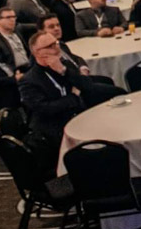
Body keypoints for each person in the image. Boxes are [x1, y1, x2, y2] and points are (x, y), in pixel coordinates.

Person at [19, 30, 90, 169]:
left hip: (79, 115)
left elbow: (87, 86)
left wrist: (63, 71)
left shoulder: (64, 66)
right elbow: (46, 109)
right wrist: (73, 97)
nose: (56, 48)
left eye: (56, 43)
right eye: (50, 46)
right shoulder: (28, 81)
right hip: (53, 129)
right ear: (38, 52)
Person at [0, 6, 33, 73]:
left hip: (29, 66)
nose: (12, 20)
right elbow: (1, 66)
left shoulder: (17, 30)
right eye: (8, 17)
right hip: (16, 72)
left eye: (14, 17)